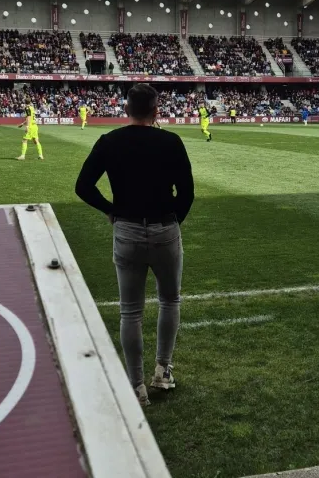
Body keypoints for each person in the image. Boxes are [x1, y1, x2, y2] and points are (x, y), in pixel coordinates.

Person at [74, 84, 194, 406]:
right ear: (156, 111)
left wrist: (111, 210)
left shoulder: (109, 141)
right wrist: (172, 221)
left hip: (126, 230)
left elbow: (83, 186)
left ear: (126, 109)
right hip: (165, 229)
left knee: (130, 312)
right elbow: (187, 193)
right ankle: (163, 371)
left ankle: (136, 386)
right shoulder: (171, 141)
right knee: (170, 300)